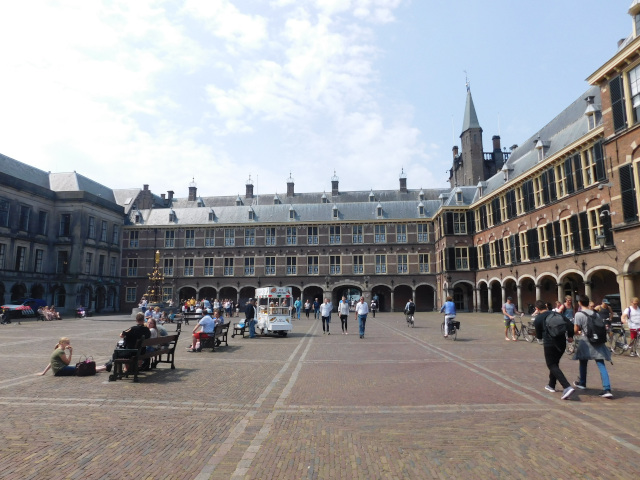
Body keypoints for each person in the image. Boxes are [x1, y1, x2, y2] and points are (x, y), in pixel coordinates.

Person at [572, 295, 613, 398]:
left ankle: (582, 383)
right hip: (597, 341)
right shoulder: (596, 313)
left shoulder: (579, 314)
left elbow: (576, 330)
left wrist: (576, 331)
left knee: (583, 361)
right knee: (601, 364)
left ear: (580, 303)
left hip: (586, 341)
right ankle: (607, 388)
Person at [533, 300, 575, 400]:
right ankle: (551, 385)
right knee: (554, 364)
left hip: (550, 343)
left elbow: (539, 336)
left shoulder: (538, 318)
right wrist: (570, 336)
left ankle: (567, 386)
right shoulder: (556, 314)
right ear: (546, 306)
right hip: (562, 343)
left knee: (551, 364)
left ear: (537, 309)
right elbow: (570, 325)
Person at [38, 337, 108, 376]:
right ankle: (105, 367)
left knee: (81, 366)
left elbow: (51, 363)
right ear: (62, 343)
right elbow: (67, 362)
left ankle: (103, 366)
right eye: (67, 343)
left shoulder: (57, 350)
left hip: (58, 370)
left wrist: (44, 372)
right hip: (60, 370)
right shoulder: (60, 351)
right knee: (82, 369)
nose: (69, 344)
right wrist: (71, 352)